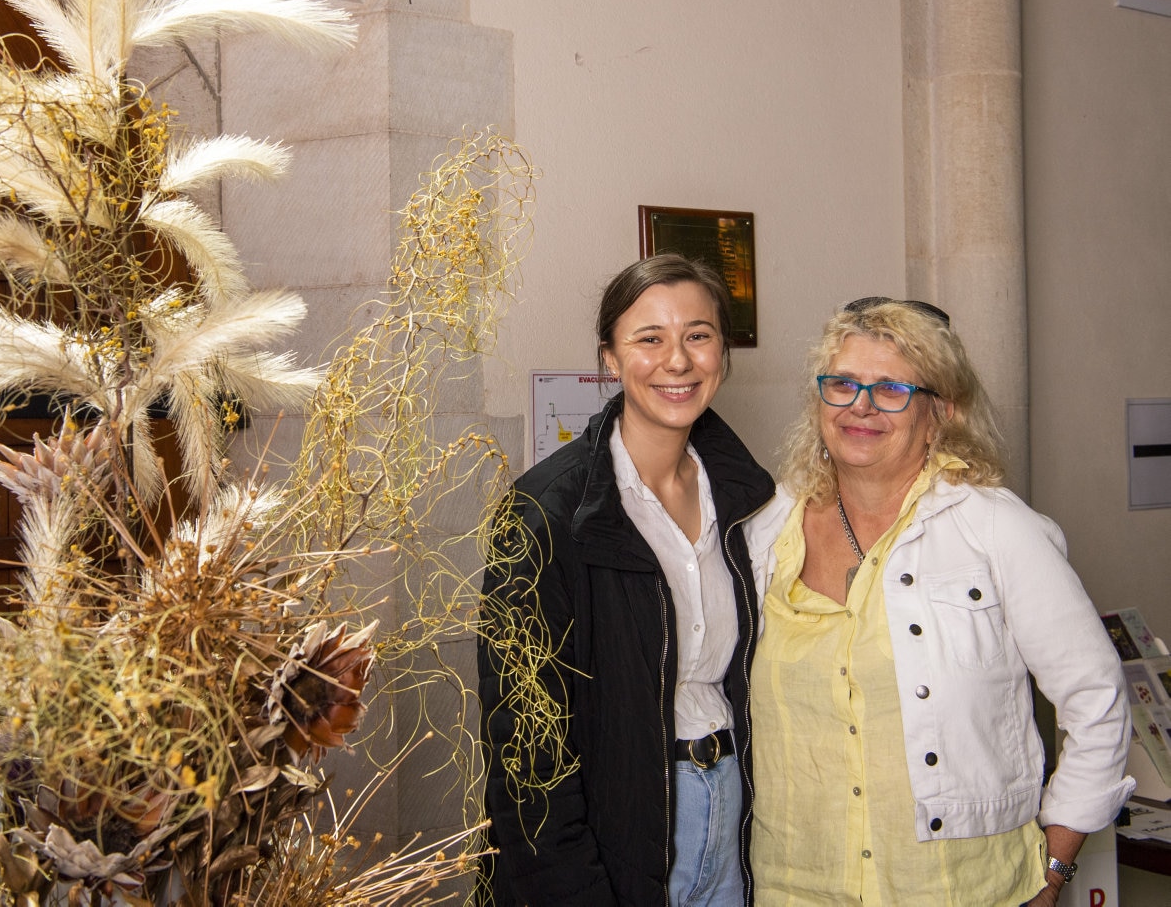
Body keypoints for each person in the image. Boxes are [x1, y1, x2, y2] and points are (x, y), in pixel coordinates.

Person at [744, 297, 1133, 906]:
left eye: (892, 389)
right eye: (842, 384)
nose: (861, 407)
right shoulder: (766, 530)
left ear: (941, 411)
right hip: (794, 886)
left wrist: (1053, 870)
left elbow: (1098, 700)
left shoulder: (997, 530)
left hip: (965, 889)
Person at [478, 254, 775, 907]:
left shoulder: (752, 500)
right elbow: (524, 750)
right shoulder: (544, 513)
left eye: (698, 334)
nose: (678, 360)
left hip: (733, 813)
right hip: (615, 835)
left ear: (722, 351)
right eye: (650, 338)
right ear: (609, 358)